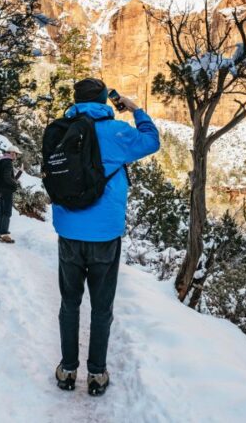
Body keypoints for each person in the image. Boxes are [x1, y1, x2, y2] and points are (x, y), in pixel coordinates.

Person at [51, 78, 160, 396]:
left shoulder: (61, 131)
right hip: (105, 236)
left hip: (69, 232)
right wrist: (135, 109)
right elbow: (151, 140)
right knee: (101, 307)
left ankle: (67, 369)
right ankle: (96, 374)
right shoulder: (118, 133)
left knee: (70, 303)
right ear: (103, 101)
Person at [0, 145, 22, 244]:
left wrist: (19, 173)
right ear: (12, 153)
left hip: (0, 191)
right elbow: (7, 178)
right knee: (7, 213)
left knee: (2, 212)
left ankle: (0, 234)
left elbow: (4, 178)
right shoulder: (8, 163)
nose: (16, 156)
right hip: (7, 191)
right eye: (16, 154)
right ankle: (4, 235)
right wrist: (15, 184)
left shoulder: (0, 161)